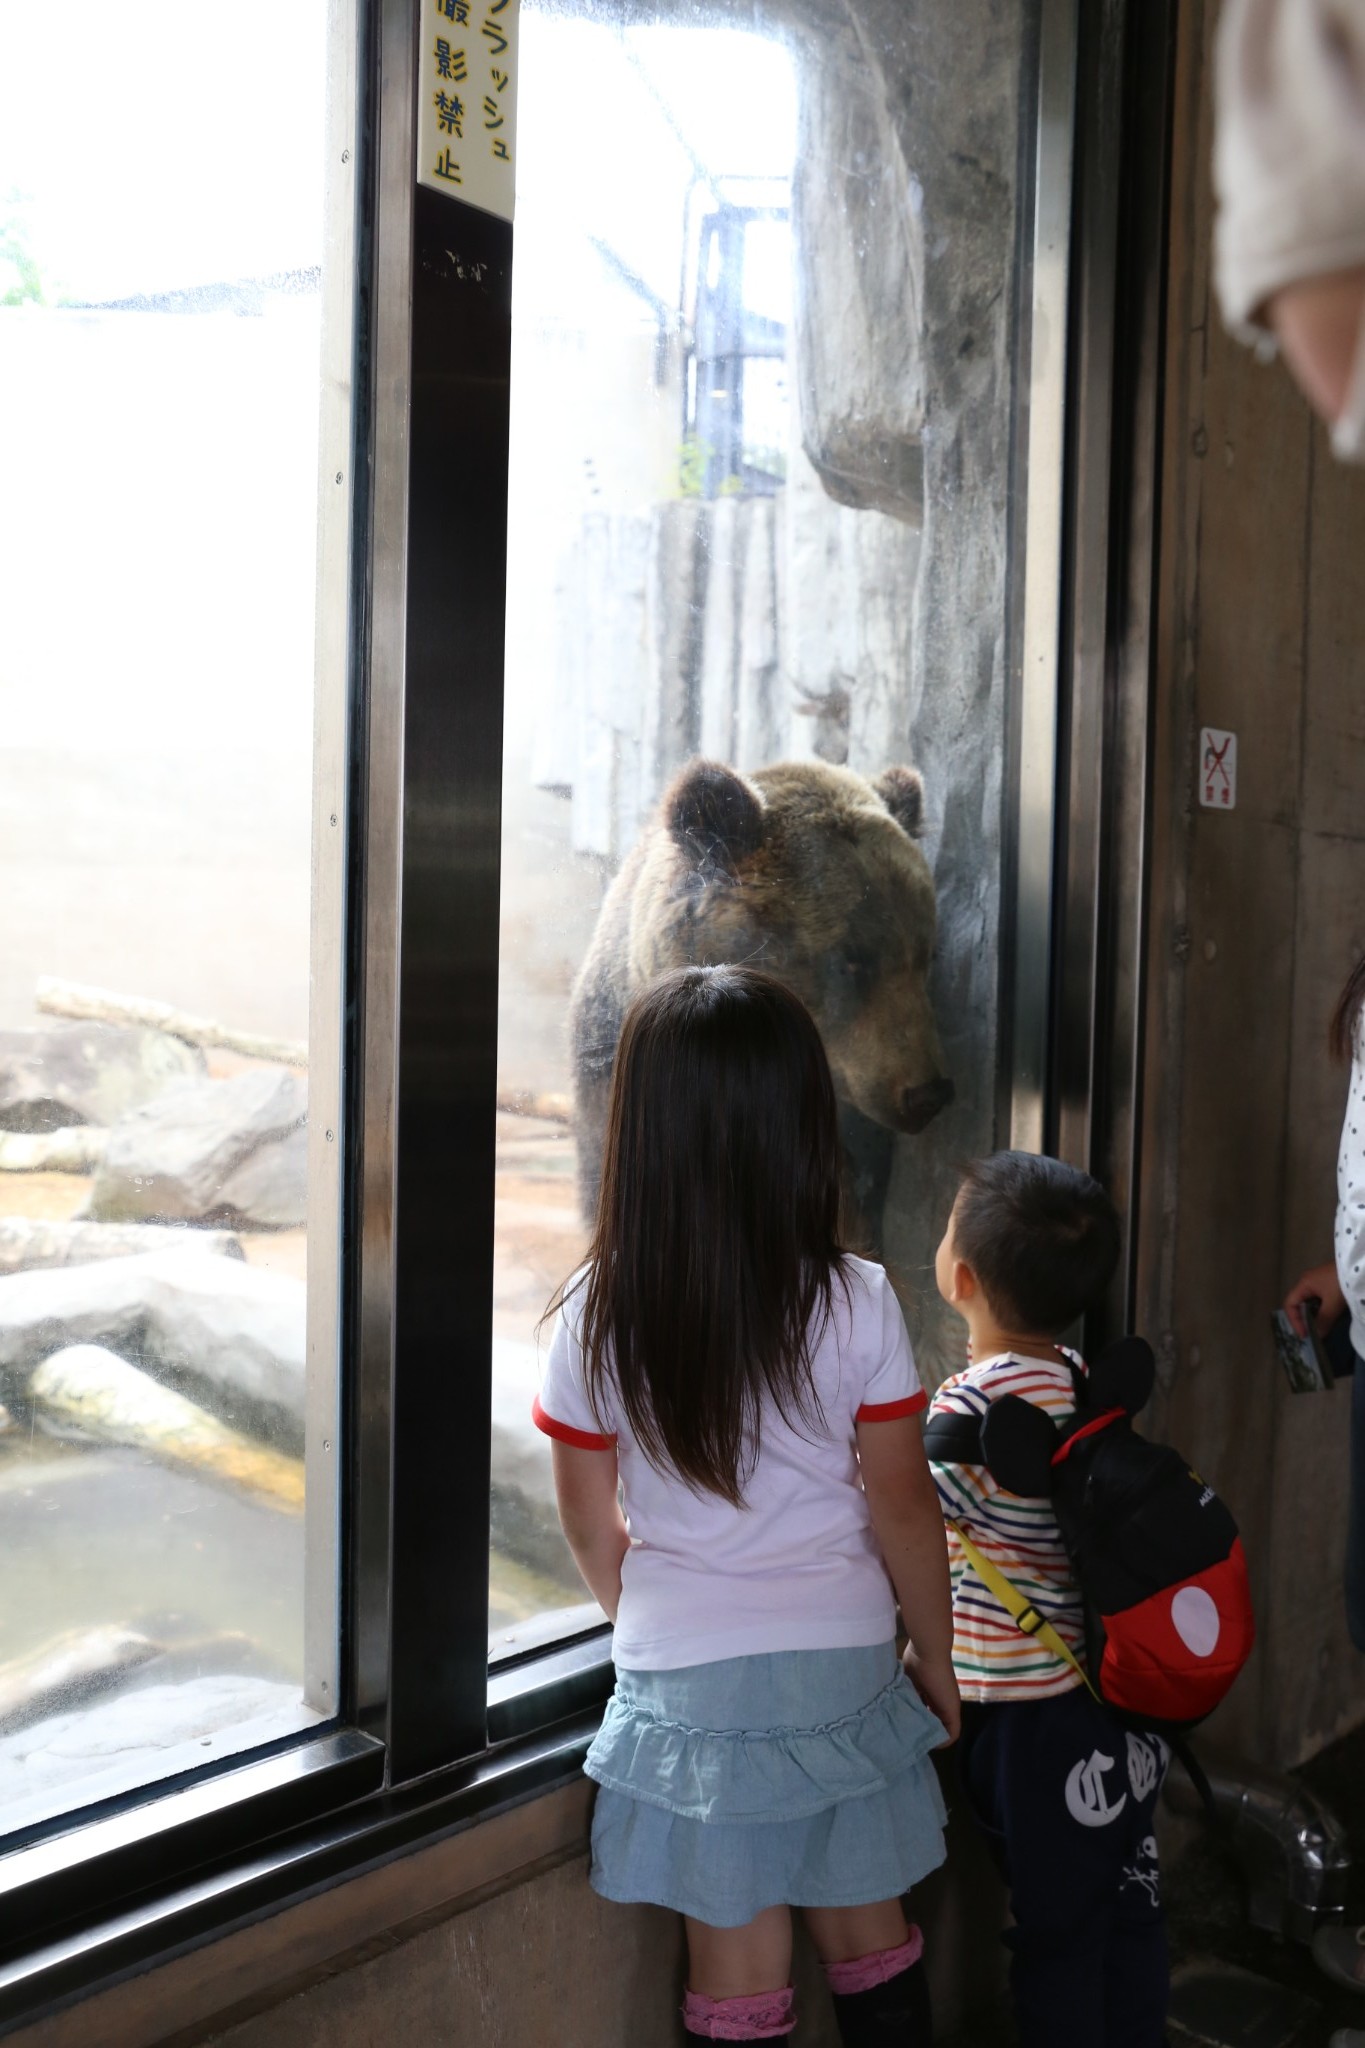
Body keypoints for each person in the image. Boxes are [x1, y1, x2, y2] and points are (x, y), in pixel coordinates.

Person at [533, 963, 958, 2045]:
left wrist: (659, 1611)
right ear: (803, 1122)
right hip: (843, 1660)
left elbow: (590, 1520)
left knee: (736, 1961)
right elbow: (904, 1504)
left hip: (685, 1682)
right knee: (869, 1936)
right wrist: (936, 1657)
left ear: (639, 1127)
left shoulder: (592, 1314)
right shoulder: (857, 1298)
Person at [926, 1153, 1170, 2048]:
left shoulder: (964, 1414)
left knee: (1054, 1937)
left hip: (1027, 1716)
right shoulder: (1078, 1379)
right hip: (1115, 1694)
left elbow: (908, 1531)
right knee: (1130, 1907)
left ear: (958, 1277)